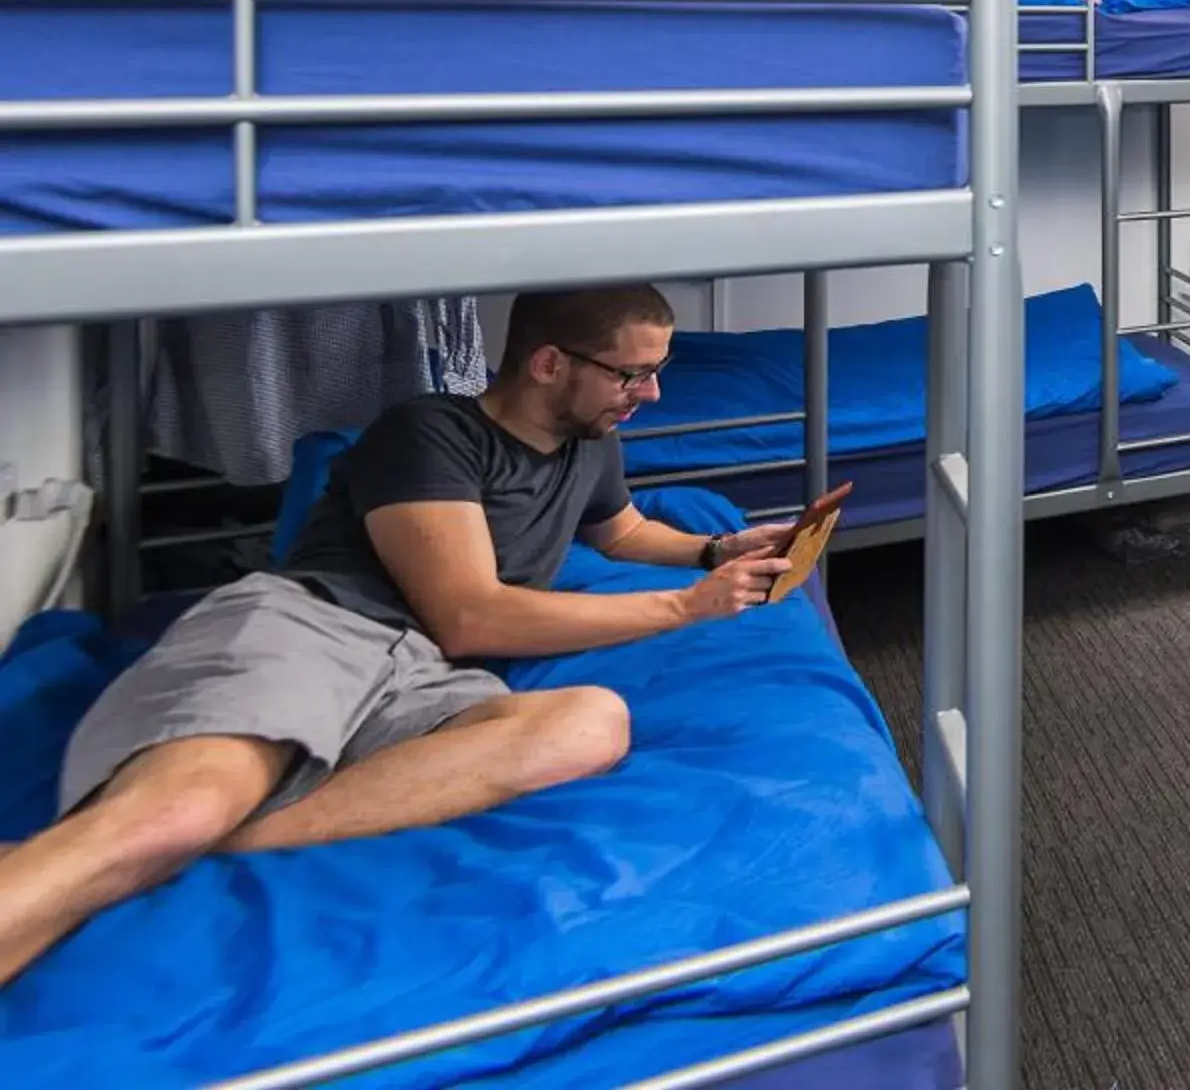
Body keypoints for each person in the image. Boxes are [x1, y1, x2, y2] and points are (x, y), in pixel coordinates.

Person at [0, 285, 793, 991]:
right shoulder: (428, 432)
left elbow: (620, 534)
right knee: (177, 809)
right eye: (630, 373)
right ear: (550, 363)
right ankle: (168, 839)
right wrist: (686, 607)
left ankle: (213, 843)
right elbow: (470, 615)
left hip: (425, 673)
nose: (649, 392)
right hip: (315, 624)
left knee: (590, 723)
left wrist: (716, 550)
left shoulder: (591, 444)